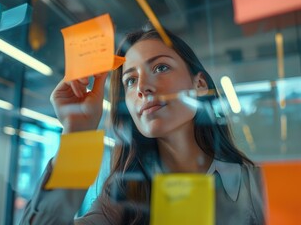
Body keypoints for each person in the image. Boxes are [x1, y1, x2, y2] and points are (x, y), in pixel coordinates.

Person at [20, 26, 265, 225]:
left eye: (160, 67)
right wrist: (77, 132)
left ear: (199, 85)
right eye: (130, 80)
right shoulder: (121, 197)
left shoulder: (254, 186)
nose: (142, 88)